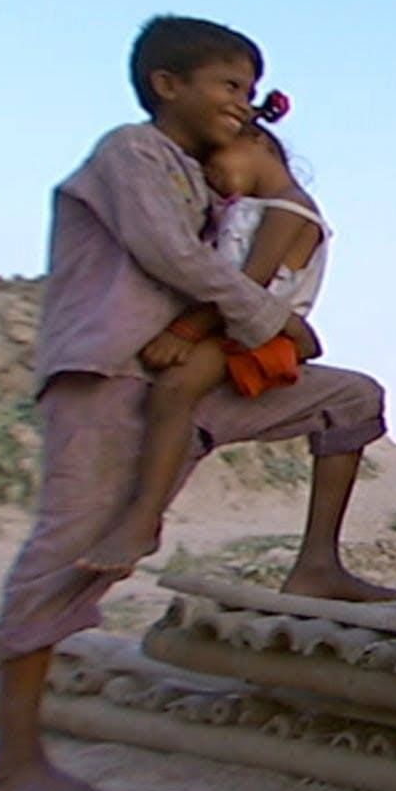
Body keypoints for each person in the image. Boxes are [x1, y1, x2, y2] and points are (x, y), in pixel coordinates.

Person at [0, 15, 391, 791]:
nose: (242, 101)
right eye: (228, 85)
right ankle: (13, 761)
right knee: (68, 549)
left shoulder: (219, 182)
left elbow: (278, 230)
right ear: (167, 85)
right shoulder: (131, 154)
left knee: (351, 398)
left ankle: (316, 563)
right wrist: (272, 321)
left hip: (194, 382)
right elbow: (170, 255)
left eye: (250, 89)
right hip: (110, 377)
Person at [75, 113, 346, 574]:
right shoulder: (253, 207)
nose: (210, 177)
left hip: (250, 332)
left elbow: (248, 285)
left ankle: (143, 518)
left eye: (214, 162)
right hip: (235, 324)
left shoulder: (291, 209)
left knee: (174, 388)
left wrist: (186, 331)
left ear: (257, 143)